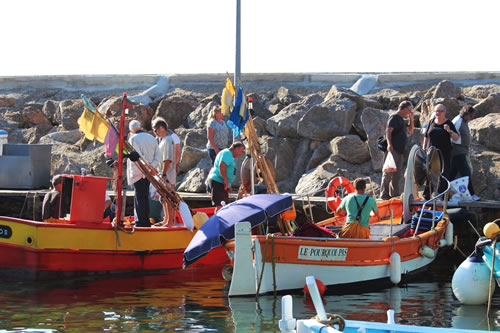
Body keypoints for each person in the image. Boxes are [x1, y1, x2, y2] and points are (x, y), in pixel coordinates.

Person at [127, 119, 161, 227]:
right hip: (149, 171)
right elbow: (158, 155)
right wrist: (152, 166)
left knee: (139, 196)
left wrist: (146, 166)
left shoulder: (133, 139)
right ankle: (145, 219)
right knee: (145, 196)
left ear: (131, 130)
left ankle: (141, 221)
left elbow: (137, 156)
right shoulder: (152, 138)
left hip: (139, 172)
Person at [379, 101, 415, 200]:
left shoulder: (402, 120)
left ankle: (394, 194)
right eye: (409, 110)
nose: (410, 112)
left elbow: (411, 131)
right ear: (404, 108)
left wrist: (411, 119)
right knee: (388, 172)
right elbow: (388, 131)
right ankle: (384, 195)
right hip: (393, 149)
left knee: (397, 174)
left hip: (400, 150)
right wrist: (389, 144)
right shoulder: (394, 117)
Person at [423, 104, 459, 196]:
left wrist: (449, 131)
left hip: (444, 153)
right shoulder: (432, 121)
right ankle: (427, 194)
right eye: (436, 111)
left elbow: (456, 137)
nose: (438, 113)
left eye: (440, 111)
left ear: (444, 112)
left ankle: (442, 194)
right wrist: (424, 148)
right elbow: (426, 136)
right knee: (429, 172)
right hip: (431, 152)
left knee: (443, 173)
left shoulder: (448, 123)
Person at [449, 105, 479, 201]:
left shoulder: (464, 121)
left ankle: (441, 189)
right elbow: (451, 135)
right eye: (471, 116)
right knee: (466, 173)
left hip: (463, 151)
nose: (472, 118)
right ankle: (472, 194)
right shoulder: (457, 121)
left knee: (451, 174)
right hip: (458, 151)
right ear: (466, 114)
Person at [153, 117, 177, 226]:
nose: (155, 133)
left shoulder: (167, 140)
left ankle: (170, 221)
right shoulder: (164, 140)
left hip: (167, 174)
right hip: (164, 173)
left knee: (168, 198)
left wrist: (163, 173)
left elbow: (167, 159)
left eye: (155, 130)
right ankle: (166, 219)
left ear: (161, 128)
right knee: (164, 198)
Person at [207, 141, 245, 210]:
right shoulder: (227, 153)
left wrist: (229, 185)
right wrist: (225, 180)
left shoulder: (228, 154)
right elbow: (222, 165)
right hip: (217, 181)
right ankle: (218, 220)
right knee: (220, 206)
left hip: (221, 183)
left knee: (223, 206)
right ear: (236, 148)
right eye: (241, 151)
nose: (241, 154)